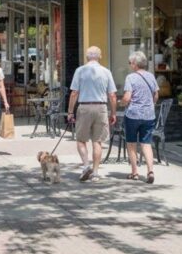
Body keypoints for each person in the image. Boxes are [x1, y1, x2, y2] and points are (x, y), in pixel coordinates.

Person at [67, 46, 117, 183]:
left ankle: (86, 166)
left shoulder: (80, 71)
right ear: (100, 56)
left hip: (84, 107)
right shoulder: (106, 72)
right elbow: (112, 95)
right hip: (101, 107)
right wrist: (113, 112)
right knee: (98, 141)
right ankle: (95, 173)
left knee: (81, 140)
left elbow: (74, 93)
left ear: (87, 57)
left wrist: (70, 112)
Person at [121, 51, 158, 183]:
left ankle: (135, 172)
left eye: (130, 63)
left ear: (135, 64)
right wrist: (150, 105)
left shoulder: (130, 77)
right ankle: (150, 171)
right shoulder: (151, 76)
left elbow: (127, 97)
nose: (130, 65)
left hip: (133, 115)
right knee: (146, 144)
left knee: (131, 143)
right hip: (148, 115)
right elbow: (156, 95)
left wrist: (122, 103)